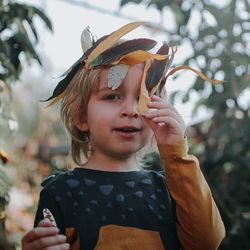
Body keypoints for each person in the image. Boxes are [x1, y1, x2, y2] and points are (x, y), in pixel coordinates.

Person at [22, 21, 225, 250]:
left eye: (143, 98)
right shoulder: (60, 193)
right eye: (112, 97)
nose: (132, 110)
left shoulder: (173, 190)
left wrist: (176, 153)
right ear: (81, 116)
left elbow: (208, 242)